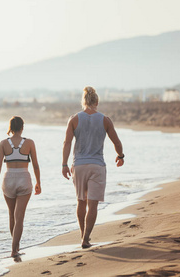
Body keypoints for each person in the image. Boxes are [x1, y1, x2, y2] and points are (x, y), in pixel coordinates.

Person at [62, 86, 124, 248]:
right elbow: (116, 142)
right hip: (97, 165)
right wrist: (120, 156)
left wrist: (64, 164)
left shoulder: (74, 119)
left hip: (79, 165)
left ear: (83, 102)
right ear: (97, 101)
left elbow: (67, 143)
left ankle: (83, 235)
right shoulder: (105, 120)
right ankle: (86, 238)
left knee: (81, 202)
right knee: (93, 204)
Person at [0, 116, 41, 258]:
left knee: (12, 215)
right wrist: (38, 182)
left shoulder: (3, 143)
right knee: (19, 216)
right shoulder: (29, 143)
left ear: (10, 127)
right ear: (22, 127)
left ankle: (16, 247)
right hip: (23, 178)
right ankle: (14, 250)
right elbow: (35, 165)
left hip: (8, 178)